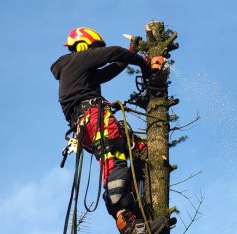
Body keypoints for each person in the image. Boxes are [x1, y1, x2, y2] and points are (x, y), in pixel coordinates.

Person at [51, 27, 166, 234]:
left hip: (87, 124)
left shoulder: (78, 73)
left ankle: (140, 214)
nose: (93, 53)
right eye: (93, 49)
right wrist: (144, 62)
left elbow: (112, 67)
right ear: (84, 46)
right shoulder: (76, 60)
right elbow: (113, 53)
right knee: (114, 159)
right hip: (94, 117)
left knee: (138, 149)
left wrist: (132, 53)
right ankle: (126, 221)